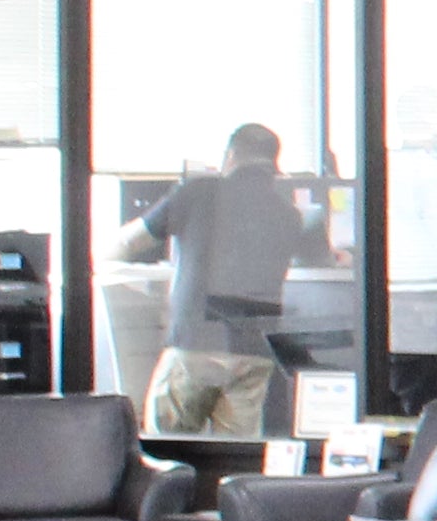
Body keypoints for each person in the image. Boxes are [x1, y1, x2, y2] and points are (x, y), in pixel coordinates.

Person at [121, 125, 331, 436]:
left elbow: (130, 242)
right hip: (254, 351)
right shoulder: (289, 213)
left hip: (195, 343)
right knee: (236, 454)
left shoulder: (197, 191)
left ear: (231, 155)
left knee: (168, 447)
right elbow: (319, 260)